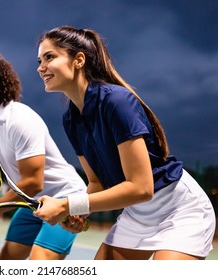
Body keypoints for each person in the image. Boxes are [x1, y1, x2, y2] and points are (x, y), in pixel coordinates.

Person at [33, 26, 216, 260]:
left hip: (180, 210)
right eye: (40, 60)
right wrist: (79, 212)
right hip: (137, 214)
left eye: (49, 57)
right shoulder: (71, 119)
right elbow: (96, 183)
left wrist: (66, 205)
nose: (41, 67)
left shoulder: (117, 101)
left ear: (79, 60)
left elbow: (141, 188)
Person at [0, 50, 87, 260]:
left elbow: (33, 181)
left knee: (39, 262)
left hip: (66, 196)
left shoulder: (20, 119)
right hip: (31, 202)